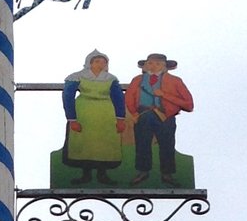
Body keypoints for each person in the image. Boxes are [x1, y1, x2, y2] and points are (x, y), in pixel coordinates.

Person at [124, 51, 194, 185]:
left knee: (167, 144)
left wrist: (164, 95)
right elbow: (129, 97)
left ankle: (167, 174)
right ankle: (143, 172)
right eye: (150, 63)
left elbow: (188, 104)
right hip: (143, 115)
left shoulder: (175, 81)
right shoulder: (138, 80)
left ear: (165, 66)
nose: (153, 66)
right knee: (142, 144)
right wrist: (133, 113)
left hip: (165, 116)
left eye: (157, 63)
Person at [60, 50, 128, 184]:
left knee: (105, 143)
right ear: (89, 63)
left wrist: (120, 118)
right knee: (84, 143)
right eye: (97, 61)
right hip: (84, 112)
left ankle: (103, 175)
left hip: (106, 114)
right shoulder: (77, 76)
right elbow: (67, 96)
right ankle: (85, 175)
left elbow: (119, 98)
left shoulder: (111, 79)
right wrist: (72, 118)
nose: (101, 64)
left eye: (104, 62)